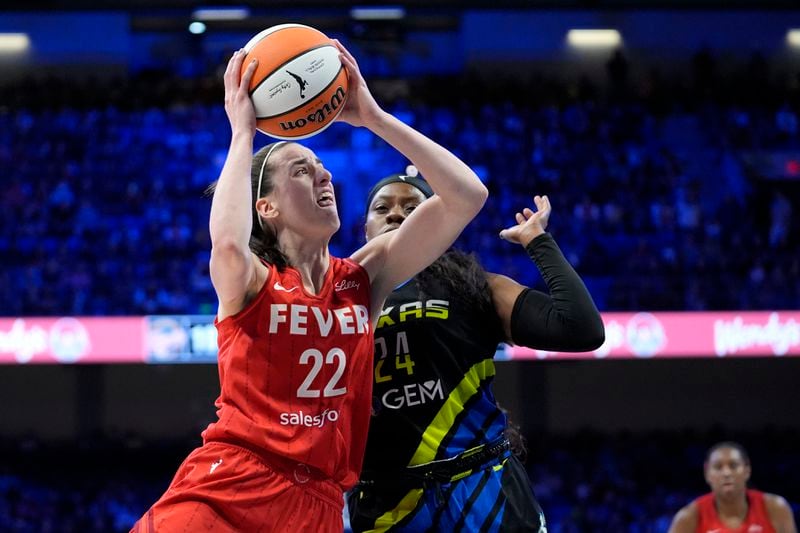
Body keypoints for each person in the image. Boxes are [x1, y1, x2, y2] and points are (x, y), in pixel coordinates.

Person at [131, 40, 488, 533]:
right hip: (230, 485)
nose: (323, 176)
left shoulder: (365, 277)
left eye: (323, 169)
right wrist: (243, 134)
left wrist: (376, 118)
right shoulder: (252, 281)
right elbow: (229, 246)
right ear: (267, 208)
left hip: (319, 503)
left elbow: (467, 196)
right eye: (302, 170)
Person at [347, 172, 605, 532]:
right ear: (365, 229)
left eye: (412, 207)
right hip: (388, 502)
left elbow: (581, 328)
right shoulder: (338, 298)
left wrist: (538, 241)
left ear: (438, 225)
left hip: (487, 488)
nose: (396, 214)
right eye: (382, 208)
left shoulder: (473, 285)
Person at [668, 441, 797, 533]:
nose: (726, 473)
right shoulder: (689, 518)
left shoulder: (774, 508)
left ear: (747, 470)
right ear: (707, 474)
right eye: (718, 467)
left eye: (733, 466)